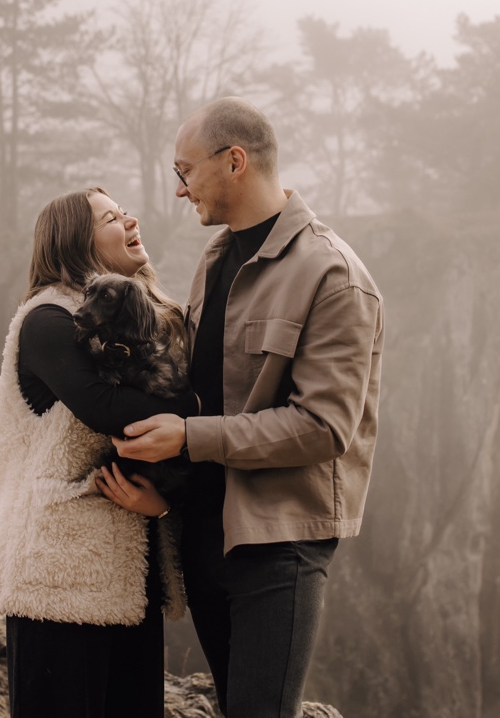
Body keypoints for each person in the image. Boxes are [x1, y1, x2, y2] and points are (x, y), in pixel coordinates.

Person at [115, 97, 384, 718]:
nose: (180, 191)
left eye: (185, 171)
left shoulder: (334, 275)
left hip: (280, 547)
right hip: (208, 535)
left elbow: (324, 428)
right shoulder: (216, 259)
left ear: (234, 161)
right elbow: (203, 387)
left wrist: (187, 438)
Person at [0, 186, 200, 718]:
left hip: (128, 573)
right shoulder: (48, 319)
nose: (129, 219)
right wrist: (202, 416)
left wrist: (166, 502)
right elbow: (108, 408)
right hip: (57, 577)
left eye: (124, 210)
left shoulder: (145, 323)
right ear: (77, 242)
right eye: (110, 216)